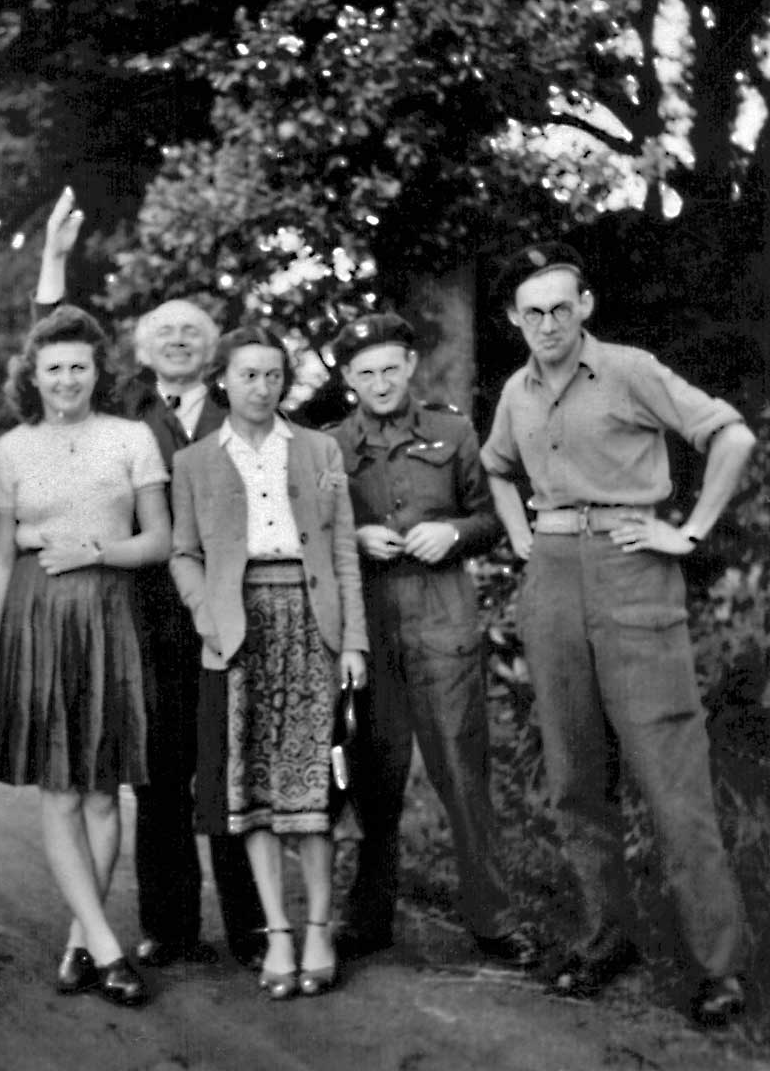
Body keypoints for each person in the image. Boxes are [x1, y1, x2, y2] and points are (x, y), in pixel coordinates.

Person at [480, 241, 753, 1025]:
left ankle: (718, 966)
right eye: (531, 313)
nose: (548, 324)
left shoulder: (630, 369)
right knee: (573, 771)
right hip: (552, 576)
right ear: (513, 319)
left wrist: (691, 533)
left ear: (585, 305)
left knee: (671, 775)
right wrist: (522, 537)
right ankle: (607, 935)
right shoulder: (516, 392)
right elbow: (499, 467)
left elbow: (729, 435)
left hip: (635, 570)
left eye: (561, 307)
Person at [36, 187, 265, 969]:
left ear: (214, 352)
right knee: (158, 775)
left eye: (191, 333)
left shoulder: (243, 407)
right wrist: (56, 265)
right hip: (142, 614)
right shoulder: (124, 406)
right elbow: (56, 347)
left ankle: (251, 928)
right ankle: (168, 925)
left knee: (232, 767)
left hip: (232, 611)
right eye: (162, 331)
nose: (176, 341)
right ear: (141, 349)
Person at [326, 313, 540, 970]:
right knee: (373, 776)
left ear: (411, 365)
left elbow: (490, 516)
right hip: (368, 625)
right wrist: (355, 539)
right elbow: (316, 527)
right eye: (366, 372)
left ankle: (494, 919)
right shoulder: (329, 446)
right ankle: (368, 916)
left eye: (391, 367)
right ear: (346, 379)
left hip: (442, 617)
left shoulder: (451, 430)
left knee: (462, 773)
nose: (381, 382)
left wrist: (454, 534)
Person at [0, 305, 171, 1008]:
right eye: (53, 368)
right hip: (36, 611)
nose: (66, 380)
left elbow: (159, 541)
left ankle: (80, 940)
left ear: (98, 372)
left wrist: (97, 551)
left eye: (78, 367)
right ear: (34, 374)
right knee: (58, 788)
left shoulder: (130, 438)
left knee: (102, 789)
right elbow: (0, 556)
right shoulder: (9, 449)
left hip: (112, 609)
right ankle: (107, 947)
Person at [170, 327, 368, 1000]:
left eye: (274, 375)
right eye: (249, 375)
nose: (262, 387)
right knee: (252, 793)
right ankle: (275, 933)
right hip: (237, 630)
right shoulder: (196, 461)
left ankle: (319, 927)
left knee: (314, 787)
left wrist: (353, 643)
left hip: (312, 624)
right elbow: (183, 551)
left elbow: (343, 552)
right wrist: (204, 610)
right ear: (222, 379)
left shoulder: (318, 449)